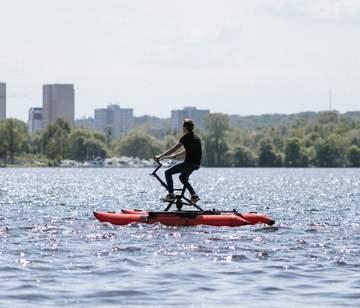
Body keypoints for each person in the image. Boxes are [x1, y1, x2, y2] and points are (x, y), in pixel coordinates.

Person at [154, 119, 202, 203]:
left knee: (167, 173)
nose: (182, 128)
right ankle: (194, 195)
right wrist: (176, 155)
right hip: (196, 165)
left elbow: (174, 148)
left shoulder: (185, 138)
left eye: (182, 126)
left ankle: (171, 195)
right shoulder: (196, 137)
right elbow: (187, 150)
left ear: (185, 128)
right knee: (182, 178)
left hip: (188, 164)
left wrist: (160, 156)